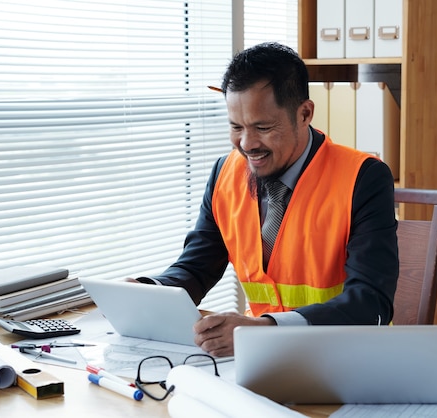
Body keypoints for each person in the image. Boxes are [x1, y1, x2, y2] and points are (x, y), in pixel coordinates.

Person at [127, 42, 399, 357]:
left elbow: (371, 304)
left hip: (350, 358)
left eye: (263, 127)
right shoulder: (224, 173)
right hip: (267, 361)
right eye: (235, 127)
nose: (246, 144)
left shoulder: (364, 179)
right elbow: (197, 267)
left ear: (304, 114)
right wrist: (149, 291)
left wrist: (268, 329)